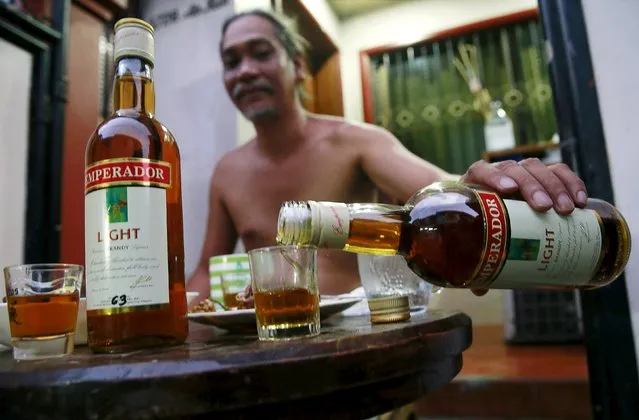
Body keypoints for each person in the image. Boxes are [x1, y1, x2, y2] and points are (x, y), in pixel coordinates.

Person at [186, 9, 588, 306]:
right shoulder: (228, 171)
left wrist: (493, 185)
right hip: (272, 337)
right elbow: (207, 269)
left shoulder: (357, 142)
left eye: (260, 53)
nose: (245, 71)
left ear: (296, 66)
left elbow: (446, 190)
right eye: (231, 61)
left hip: (360, 337)